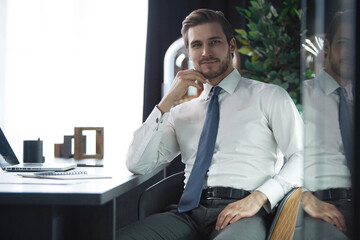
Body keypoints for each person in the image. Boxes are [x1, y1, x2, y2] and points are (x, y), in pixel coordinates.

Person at [119, 9, 303, 240]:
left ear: (231, 45)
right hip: (186, 213)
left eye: (214, 42)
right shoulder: (180, 113)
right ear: (188, 52)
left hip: (244, 212)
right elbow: (138, 164)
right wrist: (166, 102)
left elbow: (302, 157)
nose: (206, 52)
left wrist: (259, 197)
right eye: (196, 45)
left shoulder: (269, 97)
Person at [302, 10, 355, 240]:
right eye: (345, 44)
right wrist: (304, 197)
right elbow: (270, 161)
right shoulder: (299, 96)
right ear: (326, 47)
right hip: (318, 205)